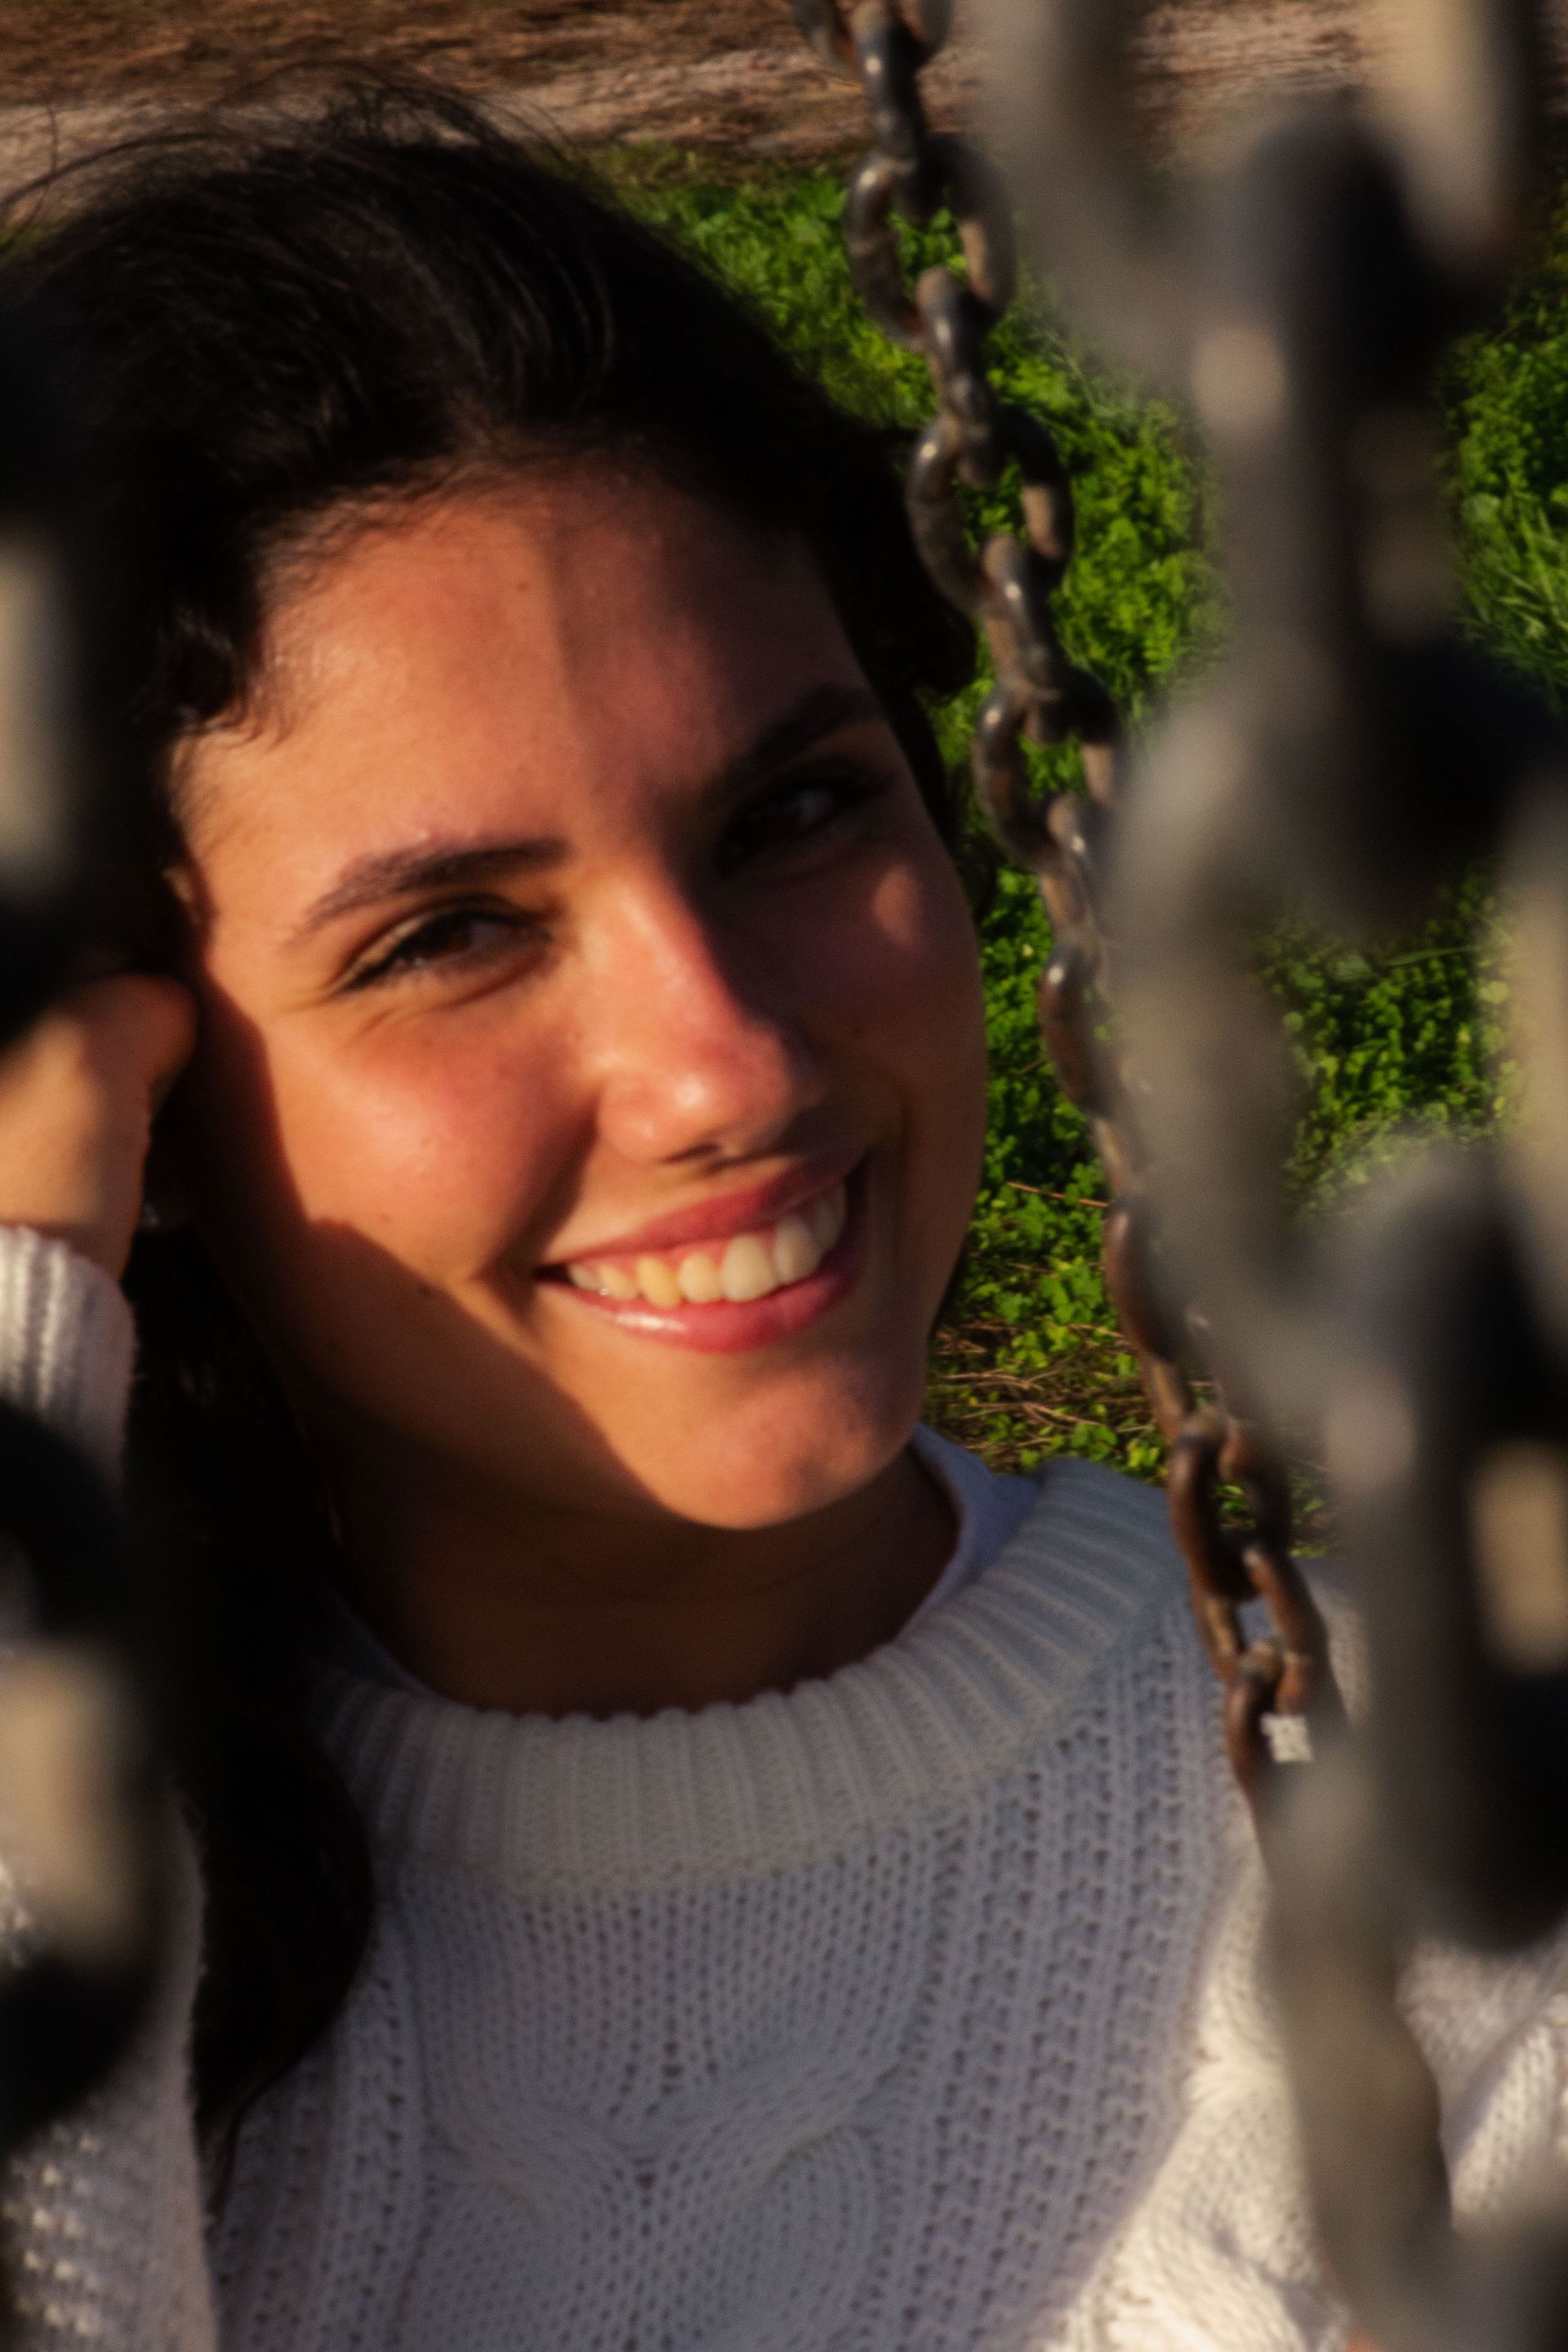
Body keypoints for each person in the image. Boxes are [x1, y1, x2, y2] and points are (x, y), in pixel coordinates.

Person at [0, 81, 1554, 2352]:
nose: (726, 1057)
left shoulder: (1460, 1841)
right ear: (131, 1087)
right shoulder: (128, 1920)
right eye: (448, 936)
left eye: (799, 811)